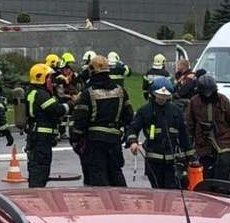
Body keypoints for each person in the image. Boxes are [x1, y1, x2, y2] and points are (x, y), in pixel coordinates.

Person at [72, 55, 134, 187]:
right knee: (116, 174)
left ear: (92, 71)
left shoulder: (88, 93)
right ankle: (121, 199)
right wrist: (126, 132)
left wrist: (75, 139)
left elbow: (80, 120)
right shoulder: (120, 91)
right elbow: (129, 116)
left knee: (98, 179)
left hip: (94, 142)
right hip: (114, 141)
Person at [128, 77, 195, 189]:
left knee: (171, 190)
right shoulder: (145, 111)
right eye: (159, 96)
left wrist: (191, 157)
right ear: (153, 94)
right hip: (153, 161)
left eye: (165, 96)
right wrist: (133, 142)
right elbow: (133, 128)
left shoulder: (176, 112)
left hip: (172, 162)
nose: (162, 99)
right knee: (157, 189)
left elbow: (184, 136)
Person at [185, 74, 230, 181]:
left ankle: (223, 186)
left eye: (210, 92)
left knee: (224, 164)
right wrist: (188, 144)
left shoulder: (222, 100)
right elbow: (189, 124)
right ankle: (209, 188)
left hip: (222, 139)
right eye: (205, 92)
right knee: (206, 170)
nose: (208, 95)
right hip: (203, 142)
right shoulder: (194, 102)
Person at [26, 64, 71, 187]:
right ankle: (37, 194)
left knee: (38, 169)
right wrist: (71, 104)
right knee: (40, 171)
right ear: (41, 78)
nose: (51, 81)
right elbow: (57, 110)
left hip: (38, 138)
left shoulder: (34, 92)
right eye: (49, 78)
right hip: (41, 139)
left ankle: (36, 191)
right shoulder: (41, 94)